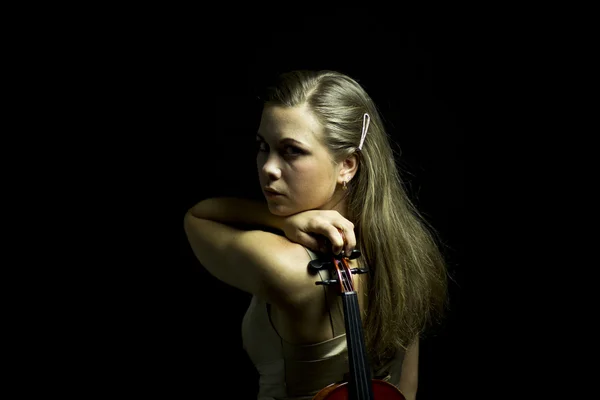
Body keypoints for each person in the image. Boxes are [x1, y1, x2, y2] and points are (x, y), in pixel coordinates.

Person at [183, 69, 448, 400]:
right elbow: (405, 390)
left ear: (347, 166)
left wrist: (279, 222)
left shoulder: (290, 268)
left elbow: (197, 216)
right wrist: (290, 221)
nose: (268, 167)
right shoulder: (408, 250)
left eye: (291, 150)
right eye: (263, 146)